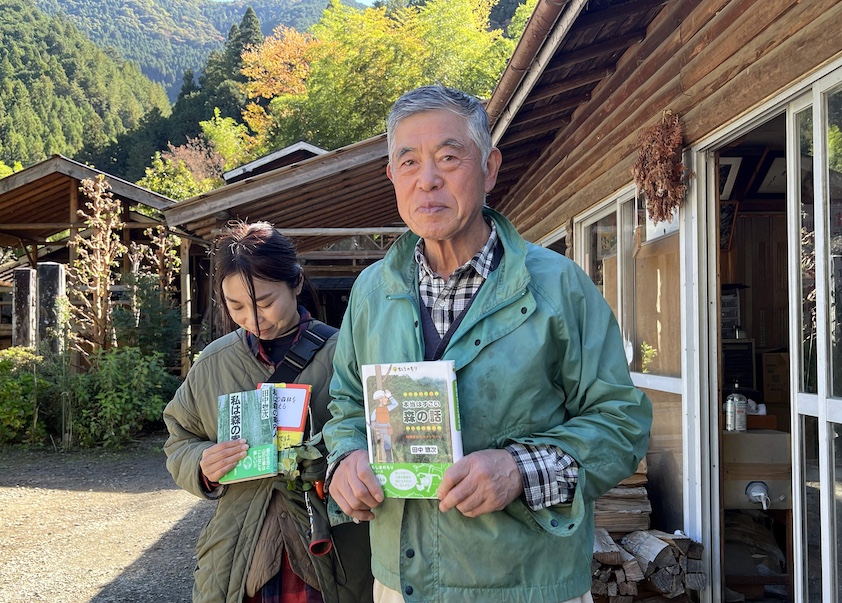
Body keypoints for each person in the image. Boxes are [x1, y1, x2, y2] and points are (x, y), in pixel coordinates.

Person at [323, 85, 653, 603]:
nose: (427, 180)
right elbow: (345, 403)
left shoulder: (558, 287)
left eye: (448, 157)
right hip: (400, 583)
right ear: (392, 176)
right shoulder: (372, 291)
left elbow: (620, 421)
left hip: (528, 585)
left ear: (490, 168)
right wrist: (346, 459)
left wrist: (520, 470)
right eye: (408, 162)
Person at [162, 221, 374, 603]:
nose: (253, 319)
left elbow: (377, 435)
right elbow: (180, 437)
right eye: (237, 306)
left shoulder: (346, 354)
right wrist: (201, 464)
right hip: (239, 553)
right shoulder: (214, 363)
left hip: (332, 549)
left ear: (295, 282)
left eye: (264, 302)